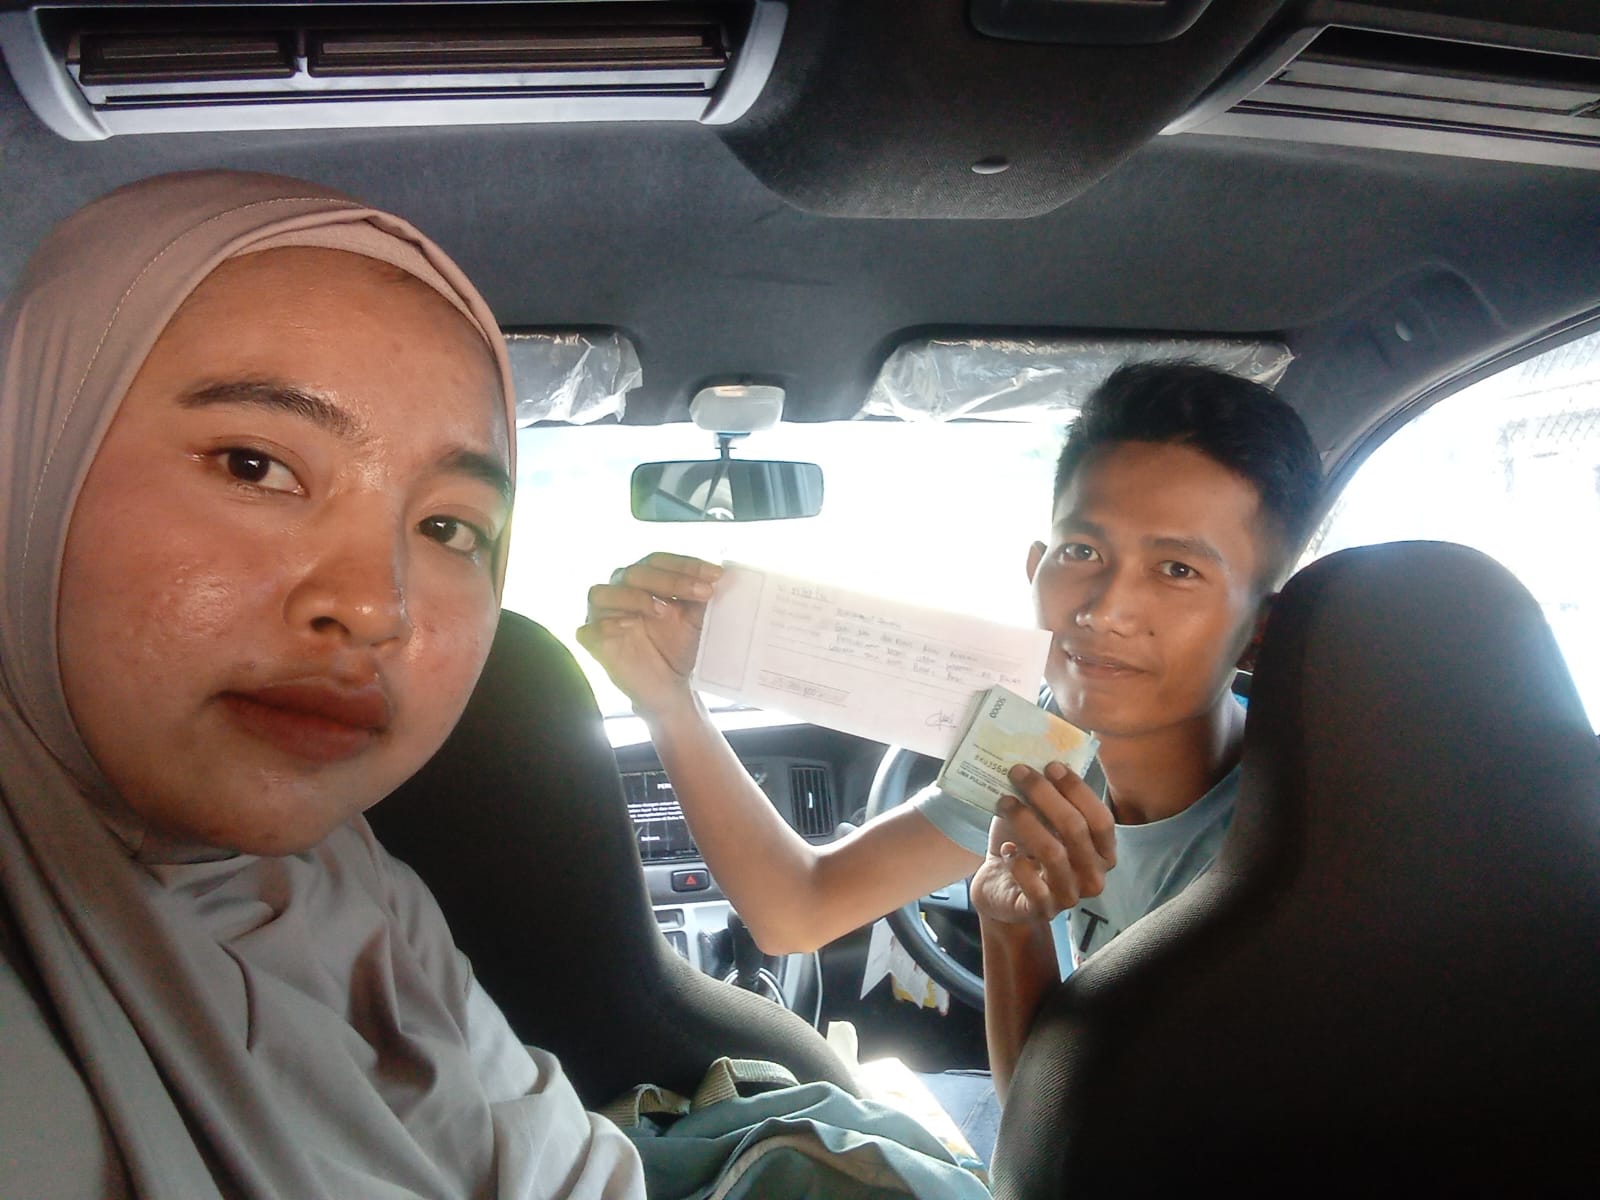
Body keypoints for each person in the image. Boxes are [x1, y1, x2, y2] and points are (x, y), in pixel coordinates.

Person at [0, 172, 643, 1198]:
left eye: (448, 528)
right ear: (28, 468)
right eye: (254, 466)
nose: (376, 606)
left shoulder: (355, 885)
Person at [580, 361, 1321, 1098]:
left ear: (1262, 629)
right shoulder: (1038, 740)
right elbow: (797, 911)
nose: (1103, 610)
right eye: (1083, 553)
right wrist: (667, 701)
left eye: (1178, 570)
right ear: (1034, 567)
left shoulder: (1302, 836)